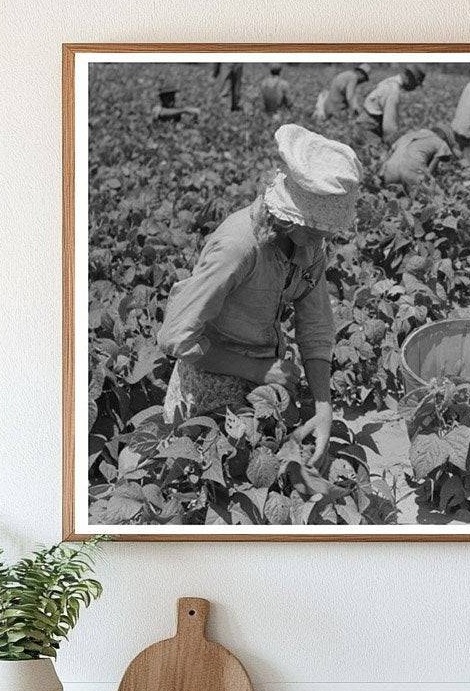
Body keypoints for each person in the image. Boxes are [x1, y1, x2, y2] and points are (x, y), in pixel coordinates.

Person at [158, 124, 363, 464]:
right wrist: (258, 370)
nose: (323, 238)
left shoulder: (308, 243)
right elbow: (175, 337)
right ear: (291, 216)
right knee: (217, 467)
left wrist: (323, 406)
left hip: (266, 378)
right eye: (317, 228)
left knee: (276, 462)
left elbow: (315, 326)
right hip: (209, 379)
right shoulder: (239, 245)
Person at [358, 64, 426, 144]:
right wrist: (395, 145)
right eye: (415, 84)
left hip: (364, 123)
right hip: (369, 128)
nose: (414, 88)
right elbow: (389, 127)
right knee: (377, 150)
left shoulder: (389, 81)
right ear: (409, 78)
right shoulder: (393, 91)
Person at [381, 127, 455, 192]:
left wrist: (381, 176)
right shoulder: (441, 142)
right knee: (438, 195)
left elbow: (389, 154)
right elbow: (430, 171)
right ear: (445, 138)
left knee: (395, 196)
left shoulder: (409, 135)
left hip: (390, 172)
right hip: (411, 174)